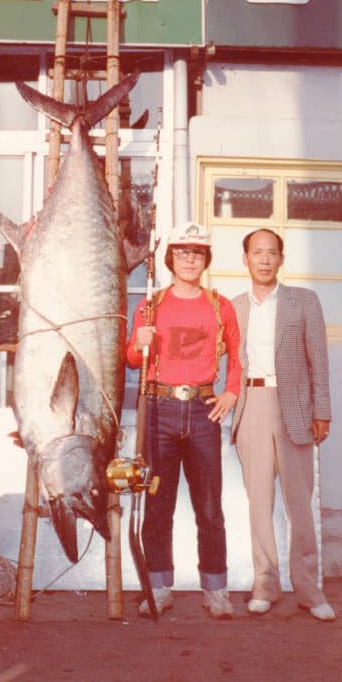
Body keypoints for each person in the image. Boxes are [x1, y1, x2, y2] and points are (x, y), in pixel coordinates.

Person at [126, 222, 242, 619]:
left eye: (197, 253)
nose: (189, 259)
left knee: (209, 506)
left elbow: (238, 356)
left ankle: (216, 589)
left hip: (202, 410)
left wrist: (231, 391)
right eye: (182, 252)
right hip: (159, 411)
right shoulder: (151, 305)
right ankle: (158, 587)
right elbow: (129, 358)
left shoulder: (218, 305)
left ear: (206, 259)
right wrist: (138, 345)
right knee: (158, 505)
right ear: (170, 258)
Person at [230, 227, 335, 621]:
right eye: (257, 253)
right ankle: (264, 584)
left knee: (299, 504)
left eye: (271, 253)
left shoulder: (304, 302)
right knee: (259, 503)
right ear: (245, 259)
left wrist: (321, 410)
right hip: (251, 404)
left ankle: (309, 589)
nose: (264, 259)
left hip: (293, 407)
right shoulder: (234, 306)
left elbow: (319, 362)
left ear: (281, 258)